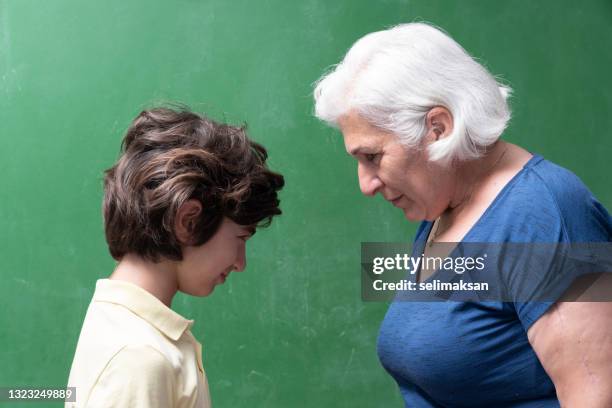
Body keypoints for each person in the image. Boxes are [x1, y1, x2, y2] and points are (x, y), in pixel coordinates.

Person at [314, 22, 612, 407]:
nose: (366, 184)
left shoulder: (547, 212)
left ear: (438, 127)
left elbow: (595, 396)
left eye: (372, 156)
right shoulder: (442, 212)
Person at [66, 106, 284, 407]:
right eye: (241, 238)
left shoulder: (135, 336)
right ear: (188, 221)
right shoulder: (139, 357)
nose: (240, 263)